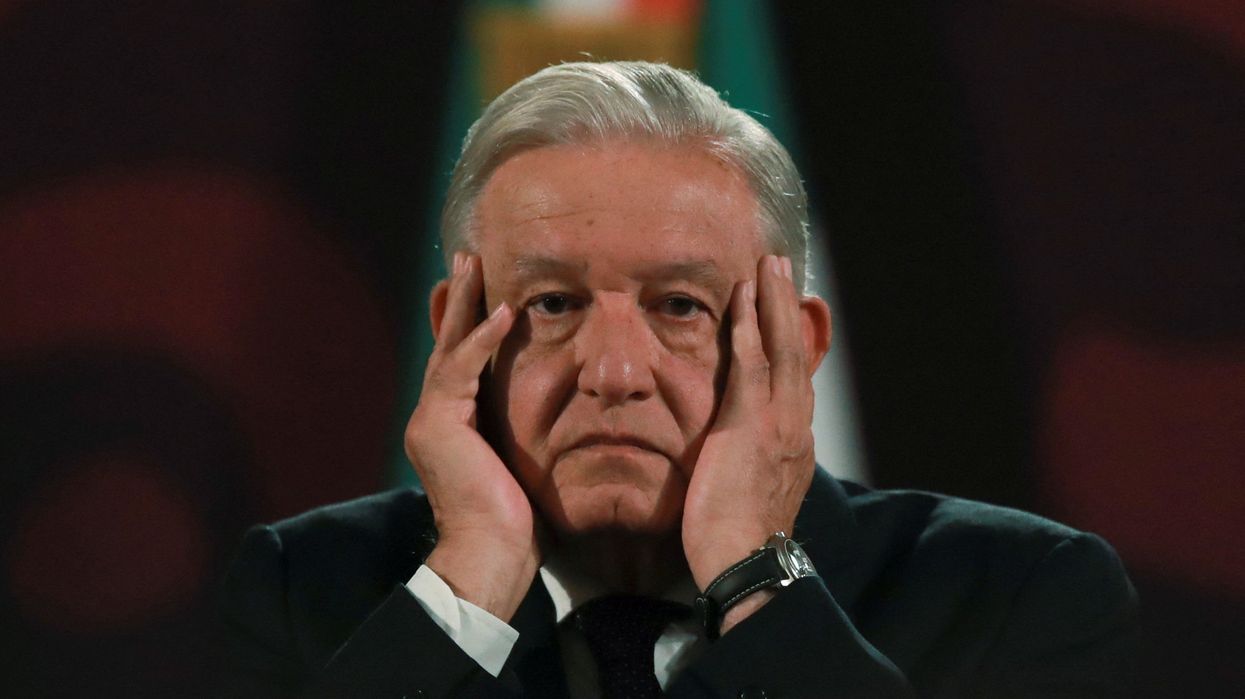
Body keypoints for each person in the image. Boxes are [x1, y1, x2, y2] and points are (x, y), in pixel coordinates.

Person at [217, 61, 1138, 698]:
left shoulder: (1020, 593)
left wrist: (752, 571)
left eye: (679, 307)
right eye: (550, 305)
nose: (614, 374)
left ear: (796, 343)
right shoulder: (299, 590)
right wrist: (469, 584)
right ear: (455, 335)